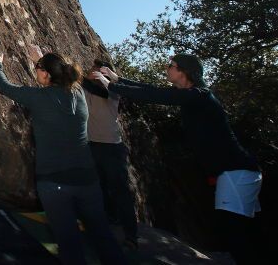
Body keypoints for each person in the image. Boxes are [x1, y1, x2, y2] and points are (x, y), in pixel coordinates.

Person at [91, 55, 262, 264]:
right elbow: (152, 90)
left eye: (171, 66)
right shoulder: (190, 95)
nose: (167, 68)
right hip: (234, 172)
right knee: (237, 229)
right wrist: (117, 79)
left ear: (183, 71)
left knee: (235, 229)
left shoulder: (199, 96)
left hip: (236, 172)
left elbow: (154, 96)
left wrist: (110, 85)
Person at [0, 44, 127, 265]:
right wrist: (42, 58)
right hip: (87, 180)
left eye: (38, 68)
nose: (36, 71)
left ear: (45, 73)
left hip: (53, 183)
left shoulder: (38, 98)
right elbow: (59, 76)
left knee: (69, 242)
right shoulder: (79, 92)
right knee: (103, 237)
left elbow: (6, 87)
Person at [81, 60, 139, 249]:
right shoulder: (85, 88)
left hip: (112, 148)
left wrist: (100, 78)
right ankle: (108, 219)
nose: (94, 73)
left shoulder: (112, 91)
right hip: (92, 145)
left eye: (100, 71)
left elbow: (105, 91)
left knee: (120, 190)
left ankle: (131, 235)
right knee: (99, 187)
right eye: (93, 70)